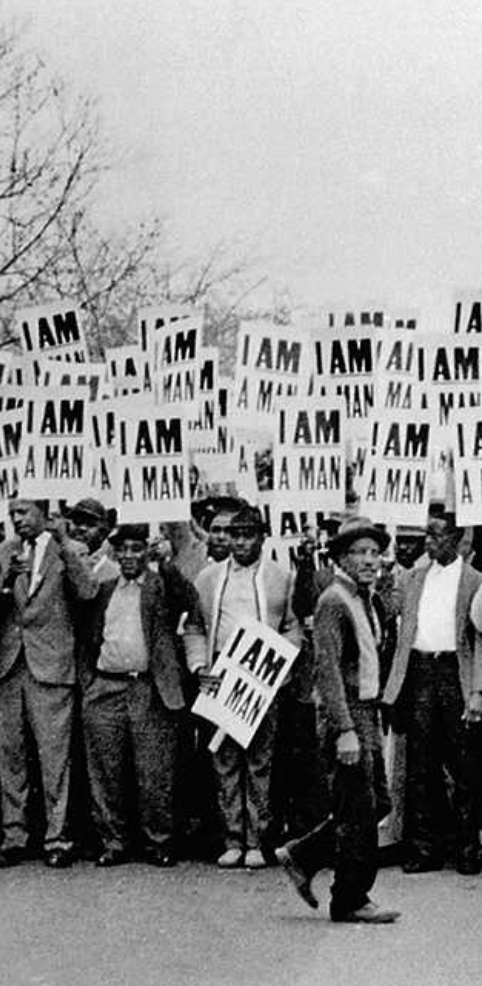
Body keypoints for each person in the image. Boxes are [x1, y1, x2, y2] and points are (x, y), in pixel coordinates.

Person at [276, 515, 400, 924]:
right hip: (345, 715)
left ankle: (302, 854)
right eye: (359, 553)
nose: (369, 560)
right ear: (341, 559)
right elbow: (326, 668)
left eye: (374, 553)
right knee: (360, 811)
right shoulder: (333, 600)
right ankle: (350, 898)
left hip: (364, 710)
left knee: (372, 803)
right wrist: (345, 730)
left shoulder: (366, 598)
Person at [184, 505, 302, 869]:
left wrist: (281, 665)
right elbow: (195, 627)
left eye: (248, 535)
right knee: (224, 758)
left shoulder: (281, 577)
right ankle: (232, 837)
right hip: (222, 669)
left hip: (261, 676)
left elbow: (291, 625)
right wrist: (200, 665)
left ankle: (257, 840)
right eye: (235, 535)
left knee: (260, 760)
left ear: (262, 538)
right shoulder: (208, 578)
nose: (240, 542)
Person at [80, 523, 204, 867]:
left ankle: (158, 841)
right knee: (106, 769)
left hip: (148, 686)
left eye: (137, 549)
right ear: (115, 553)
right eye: (124, 549)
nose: (130, 556)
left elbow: (188, 601)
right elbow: (88, 637)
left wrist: (165, 562)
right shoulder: (104, 589)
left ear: (145, 552)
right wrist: (91, 681)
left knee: (155, 770)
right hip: (107, 686)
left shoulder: (161, 586)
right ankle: (114, 841)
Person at [0, 497, 99, 867]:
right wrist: (6, 580)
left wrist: (63, 546)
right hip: (10, 666)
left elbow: (88, 592)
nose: (16, 520)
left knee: (54, 757)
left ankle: (57, 838)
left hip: (52, 667)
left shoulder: (70, 549)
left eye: (23, 512)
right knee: (10, 757)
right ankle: (14, 835)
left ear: (43, 511)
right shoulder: (5, 551)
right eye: (12, 514)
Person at [383, 507, 482, 875]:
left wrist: (477, 691)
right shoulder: (412, 577)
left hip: (455, 672)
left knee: (465, 765)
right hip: (420, 671)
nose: (429, 541)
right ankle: (425, 849)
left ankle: (467, 847)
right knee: (421, 763)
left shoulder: (474, 580)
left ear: (457, 539)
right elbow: (394, 618)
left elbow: (479, 640)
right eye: (427, 533)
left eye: (437, 534)